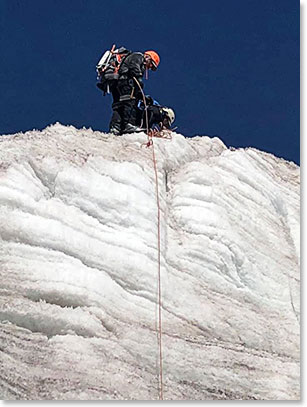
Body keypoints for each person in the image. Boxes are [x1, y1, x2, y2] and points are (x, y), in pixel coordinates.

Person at [109, 50, 160, 135]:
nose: (150, 67)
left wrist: (140, 94)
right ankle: (128, 124)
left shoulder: (136, 58)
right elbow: (134, 66)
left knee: (119, 105)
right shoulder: (138, 56)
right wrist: (139, 77)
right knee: (130, 102)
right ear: (148, 58)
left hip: (119, 83)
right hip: (126, 82)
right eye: (151, 64)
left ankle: (116, 127)